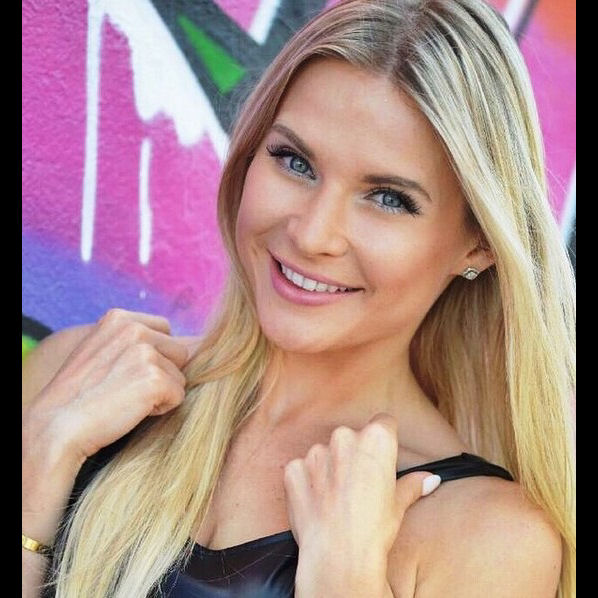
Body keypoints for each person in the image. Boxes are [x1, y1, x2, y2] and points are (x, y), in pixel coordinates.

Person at [22, 0, 575, 596]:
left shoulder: (487, 538)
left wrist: (343, 581)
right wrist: (41, 466)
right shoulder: (73, 381)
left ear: (478, 244)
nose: (312, 235)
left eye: (389, 199)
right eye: (295, 162)